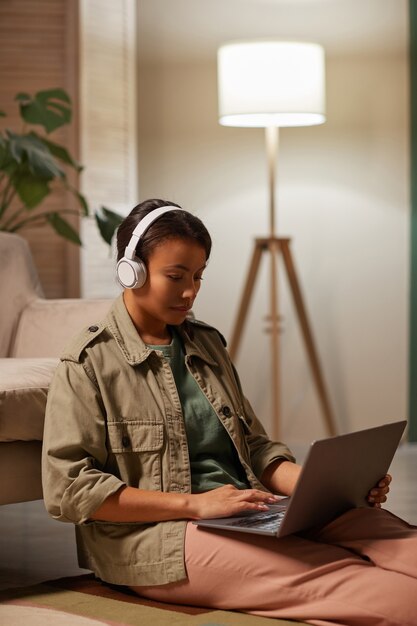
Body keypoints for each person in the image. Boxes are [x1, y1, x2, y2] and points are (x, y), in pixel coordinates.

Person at [42, 198, 417, 626]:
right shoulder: (89, 363)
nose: (190, 292)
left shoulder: (206, 344)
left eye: (198, 276)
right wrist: (195, 505)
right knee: (364, 586)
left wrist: (326, 490)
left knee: (393, 538)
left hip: (249, 509)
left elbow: (255, 446)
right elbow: (70, 490)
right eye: (176, 276)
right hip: (161, 539)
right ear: (132, 271)